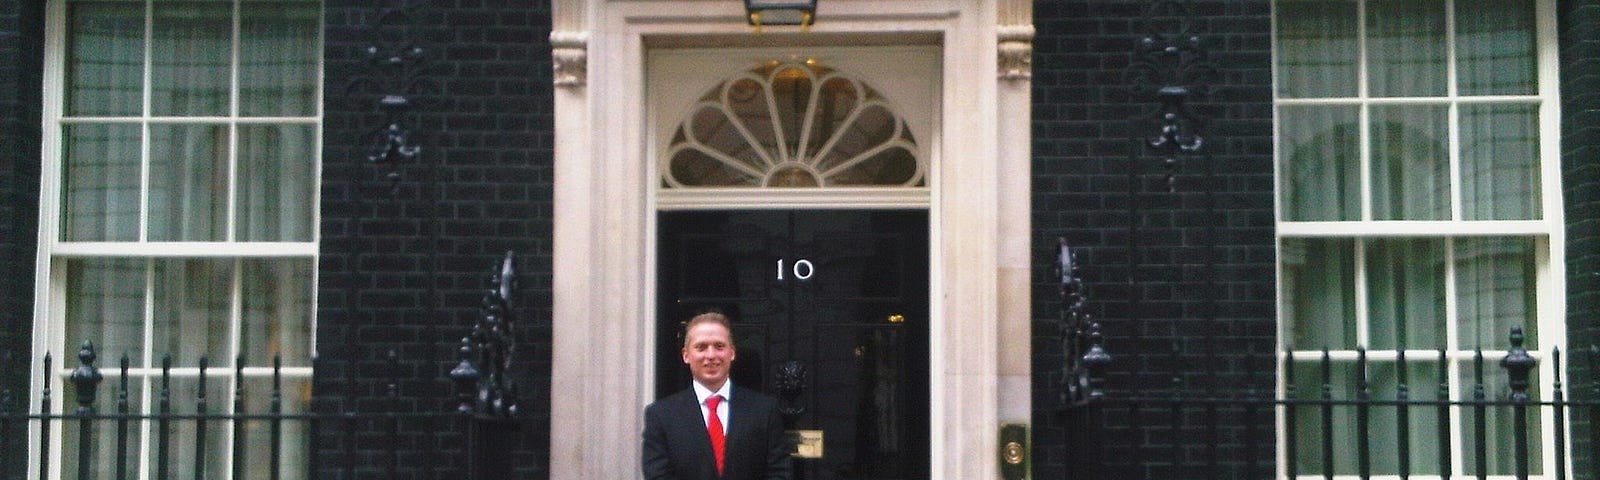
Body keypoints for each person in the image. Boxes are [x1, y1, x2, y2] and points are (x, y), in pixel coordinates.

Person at [643, 312, 793, 480]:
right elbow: (658, 476)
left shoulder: (764, 411)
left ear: (732, 352)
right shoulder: (661, 415)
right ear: (686, 355)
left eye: (719, 346)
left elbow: (779, 473)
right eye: (701, 347)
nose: (711, 355)